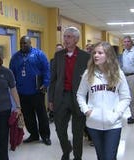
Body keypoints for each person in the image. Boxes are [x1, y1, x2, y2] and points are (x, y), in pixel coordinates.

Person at [77, 41, 131, 160]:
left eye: (100, 53)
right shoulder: (88, 74)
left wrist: (116, 114)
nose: (96, 55)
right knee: (101, 157)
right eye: (94, 53)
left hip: (113, 124)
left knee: (110, 157)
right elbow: (80, 94)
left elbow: (126, 97)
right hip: (93, 124)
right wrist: (87, 111)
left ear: (108, 55)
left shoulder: (118, 74)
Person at [49, 27, 90, 160]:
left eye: (69, 37)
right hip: (61, 97)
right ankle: (66, 150)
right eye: (65, 36)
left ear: (76, 39)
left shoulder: (86, 57)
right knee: (59, 129)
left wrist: (90, 101)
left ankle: (77, 157)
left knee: (77, 131)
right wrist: (50, 99)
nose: (66, 39)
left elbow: (91, 80)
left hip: (79, 97)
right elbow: (53, 79)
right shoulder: (58, 55)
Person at [9, 36, 51, 145]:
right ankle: (34, 135)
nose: (23, 45)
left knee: (41, 115)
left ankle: (45, 136)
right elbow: (11, 74)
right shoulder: (15, 57)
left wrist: (46, 83)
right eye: (21, 43)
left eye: (25, 43)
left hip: (37, 91)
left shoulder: (39, 54)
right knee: (28, 116)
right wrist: (13, 87)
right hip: (22, 92)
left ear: (30, 43)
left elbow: (46, 69)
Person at [48, 43, 65, 123]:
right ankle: (52, 115)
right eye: (57, 49)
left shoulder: (66, 60)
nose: (58, 51)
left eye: (60, 49)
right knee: (53, 99)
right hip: (54, 83)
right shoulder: (52, 60)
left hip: (63, 84)